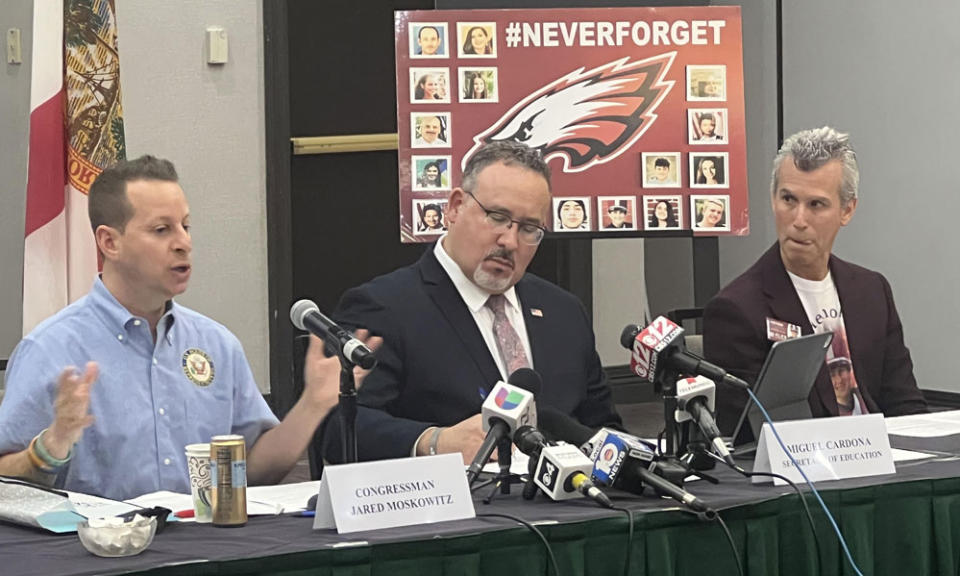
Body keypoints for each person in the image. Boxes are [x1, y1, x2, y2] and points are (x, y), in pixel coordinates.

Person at [0, 155, 380, 500]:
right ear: (109, 242)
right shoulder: (51, 349)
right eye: (162, 230)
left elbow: (254, 470)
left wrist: (313, 405)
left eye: (185, 226)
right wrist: (49, 447)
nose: (184, 243)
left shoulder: (216, 344)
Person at [320, 141, 622, 463]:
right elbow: (339, 430)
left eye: (529, 228)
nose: (509, 241)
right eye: (496, 217)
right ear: (454, 207)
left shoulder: (564, 312)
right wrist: (433, 441)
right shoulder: (384, 306)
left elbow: (603, 431)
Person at [703, 127, 927, 439]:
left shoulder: (871, 290)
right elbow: (752, 436)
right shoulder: (736, 309)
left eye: (816, 205)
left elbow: (905, 404)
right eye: (788, 199)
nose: (798, 219)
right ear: (773, 199)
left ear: (847, 210)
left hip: (885, 460)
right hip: (809, 472)